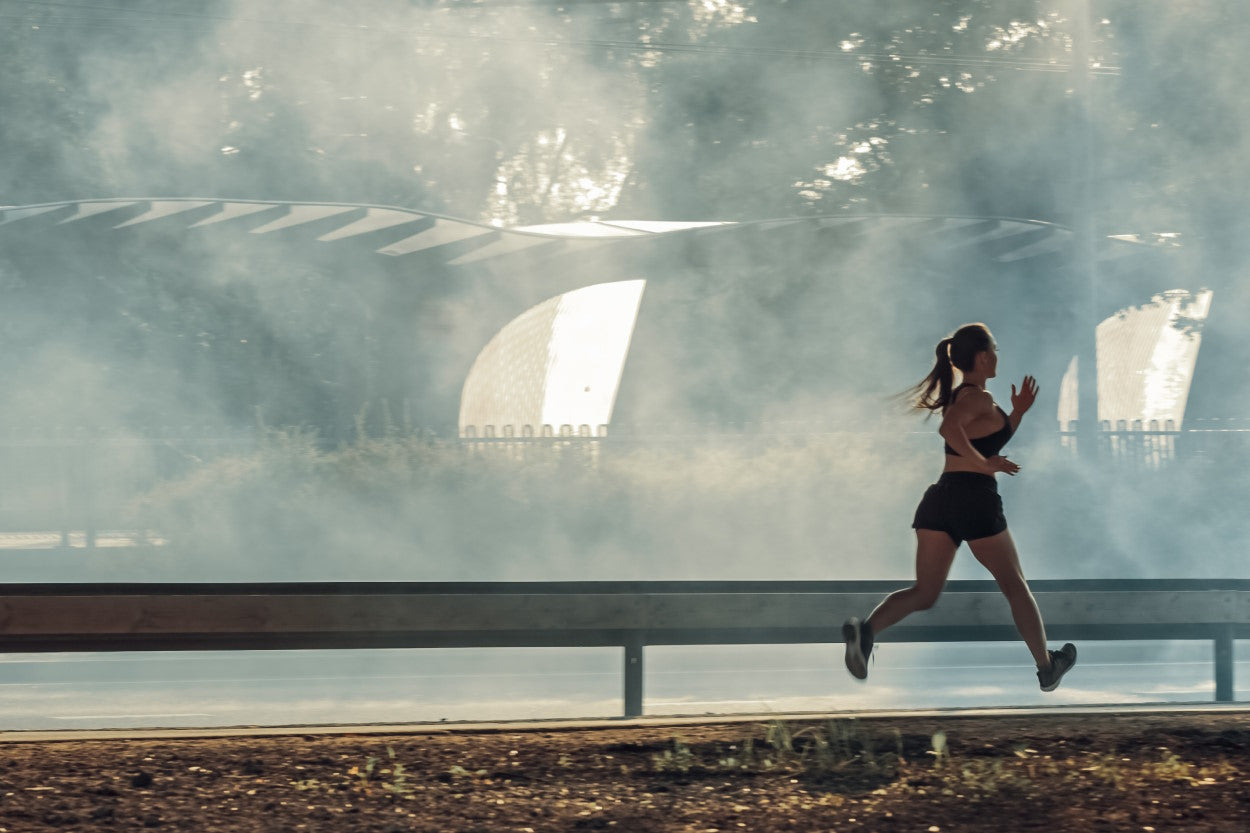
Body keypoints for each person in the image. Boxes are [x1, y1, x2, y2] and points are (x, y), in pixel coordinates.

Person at [842, 323, 1076, 692]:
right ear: (983, 357)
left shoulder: (970, 398)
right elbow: (950, 432)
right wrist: (984, 466)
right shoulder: (977, 399)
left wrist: (1017, 414)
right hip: (975, 497)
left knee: (925, 592)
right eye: (995, 348)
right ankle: (1047, 666)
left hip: (941, 499)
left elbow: (982, 438)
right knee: (1015, 587)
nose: (998, 354)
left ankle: (865, 632)